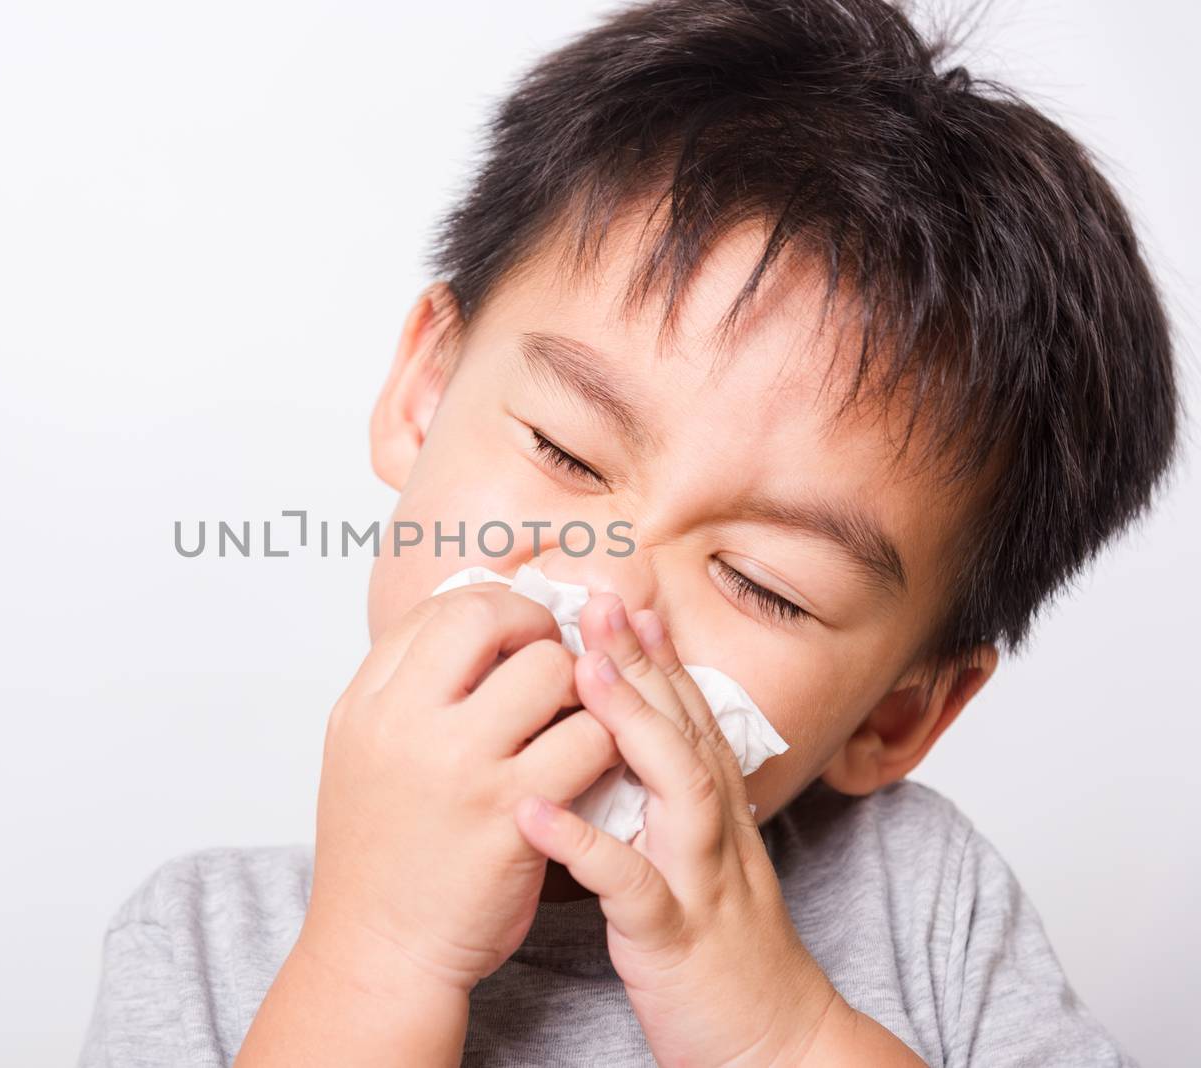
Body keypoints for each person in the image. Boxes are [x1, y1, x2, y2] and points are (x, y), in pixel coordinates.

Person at [80, 0, 1178, 1063]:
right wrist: (377, 956)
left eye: (764, 583)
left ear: (896, 713)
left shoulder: (923, 905)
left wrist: (775, 1036)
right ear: (425, 392)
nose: (608, 598)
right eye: (563, 453)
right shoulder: (204, 946)